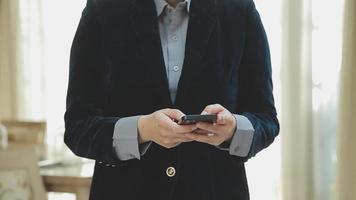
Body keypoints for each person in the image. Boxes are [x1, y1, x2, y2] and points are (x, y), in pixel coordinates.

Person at [64, 0, 279, 199]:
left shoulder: (238, 8)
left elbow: (266, 118)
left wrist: (233, 130)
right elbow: (77, 127)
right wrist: (141, 130)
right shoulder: (103, 9)